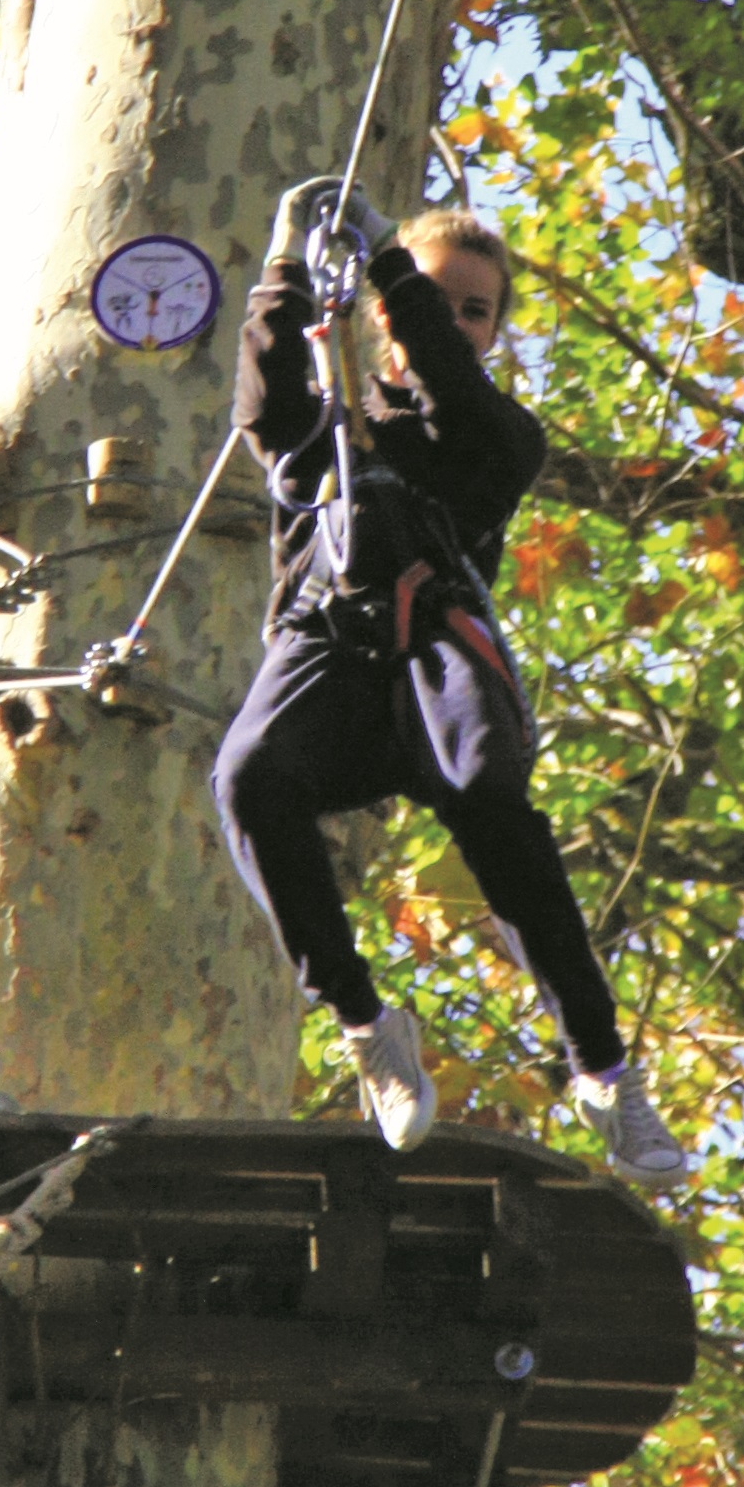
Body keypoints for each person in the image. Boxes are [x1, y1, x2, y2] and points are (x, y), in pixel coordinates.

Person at [212, 179, 694, 1189]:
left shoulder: (496, 435)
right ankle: (362, 1021)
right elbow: (261, 406)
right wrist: (285, 268)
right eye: (442, 298)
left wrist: (394, 264)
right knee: (250, 778)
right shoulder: (325, 424)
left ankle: (601, 1068)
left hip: (436, 646)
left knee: (485, 794)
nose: (457, 322)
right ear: (380, 317)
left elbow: (452, 390)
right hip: (329, 650)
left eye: (477, 310)